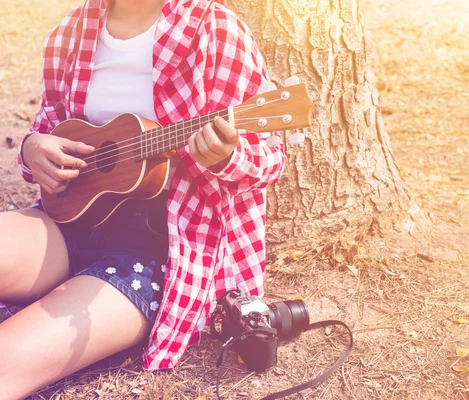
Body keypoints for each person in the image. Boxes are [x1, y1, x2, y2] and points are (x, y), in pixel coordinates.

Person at [0, 0, 285, 398]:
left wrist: (227, 156)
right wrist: (33, 147)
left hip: (158, 251)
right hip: (68, 219)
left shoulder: (214, 29)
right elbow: (49, 124)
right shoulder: (73, 29)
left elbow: (270, 159)